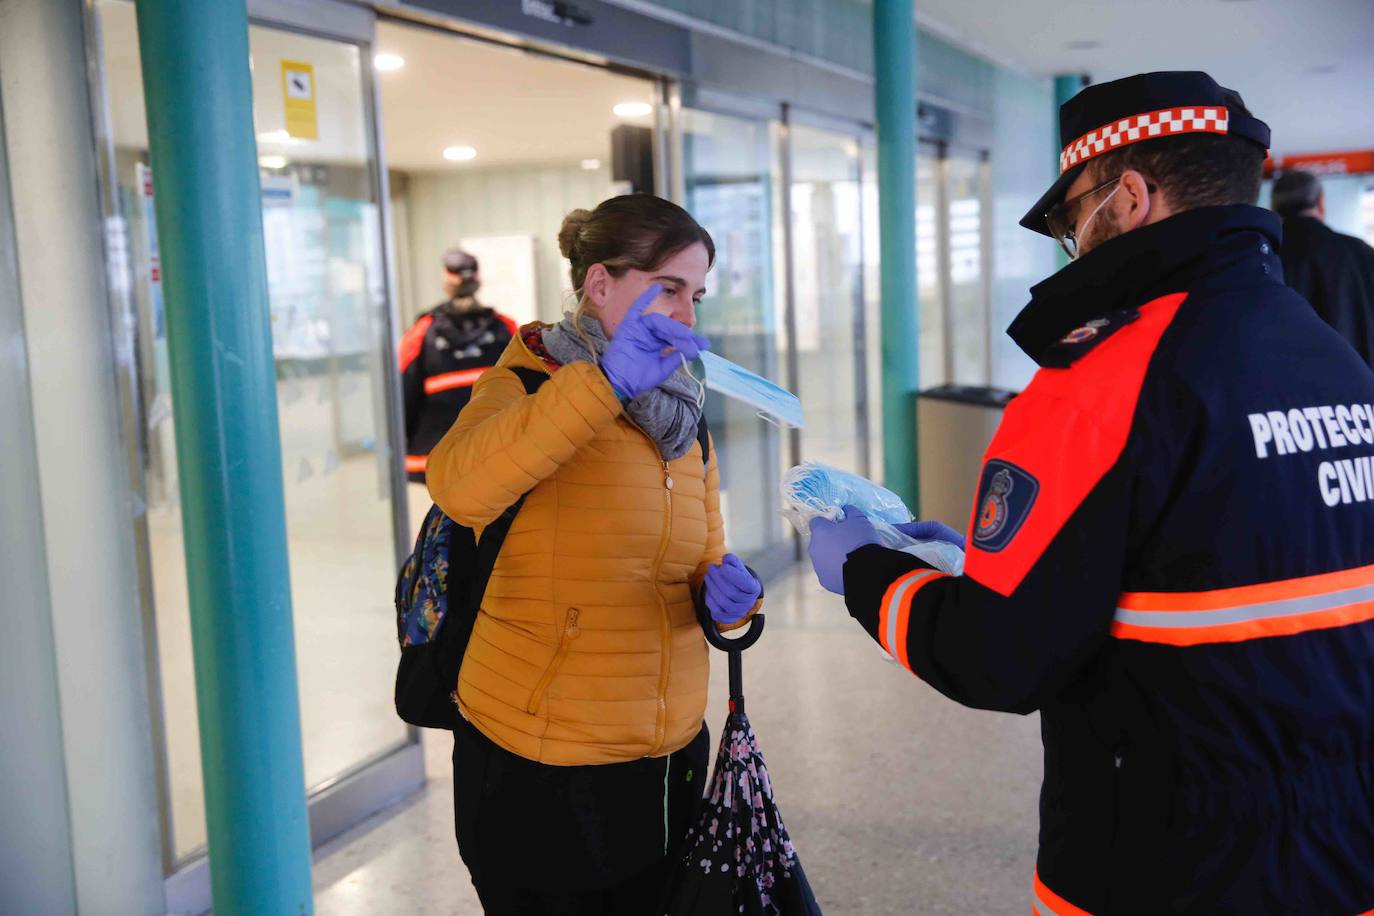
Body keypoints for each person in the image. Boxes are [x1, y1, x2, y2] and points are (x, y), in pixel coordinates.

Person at [807, 72, 1374, 914]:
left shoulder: (1100, 379)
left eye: (1073, 215)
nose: (1074, 241)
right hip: (1343, 851)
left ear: (1131, 197)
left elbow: (997, 656)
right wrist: (1002, 565)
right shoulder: (1337, 364)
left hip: (1161, 865)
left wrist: (869, 571)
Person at [424, 195, 764, 913]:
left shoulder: (683, 419)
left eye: (695, 295)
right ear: (599, 284)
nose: (687, 316)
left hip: (666, 752)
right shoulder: (525, 384)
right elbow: (459, 487)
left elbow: (702, 556)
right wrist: (605, 386)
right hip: (540, 759)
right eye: (667, 288)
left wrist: (729, 599)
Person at [399, 249, 518, 482]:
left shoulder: (421, 333)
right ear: (477, 281)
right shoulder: (506, 329)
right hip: (492, 458)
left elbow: (403, 399)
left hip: (432, 463)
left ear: (447, 282)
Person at [1271, 169, 1374, 368]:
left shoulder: (1265, 253)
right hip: (1362, 384)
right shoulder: (1361, 252)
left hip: (1292, 387)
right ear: (1320, 202)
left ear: (1274, 207)